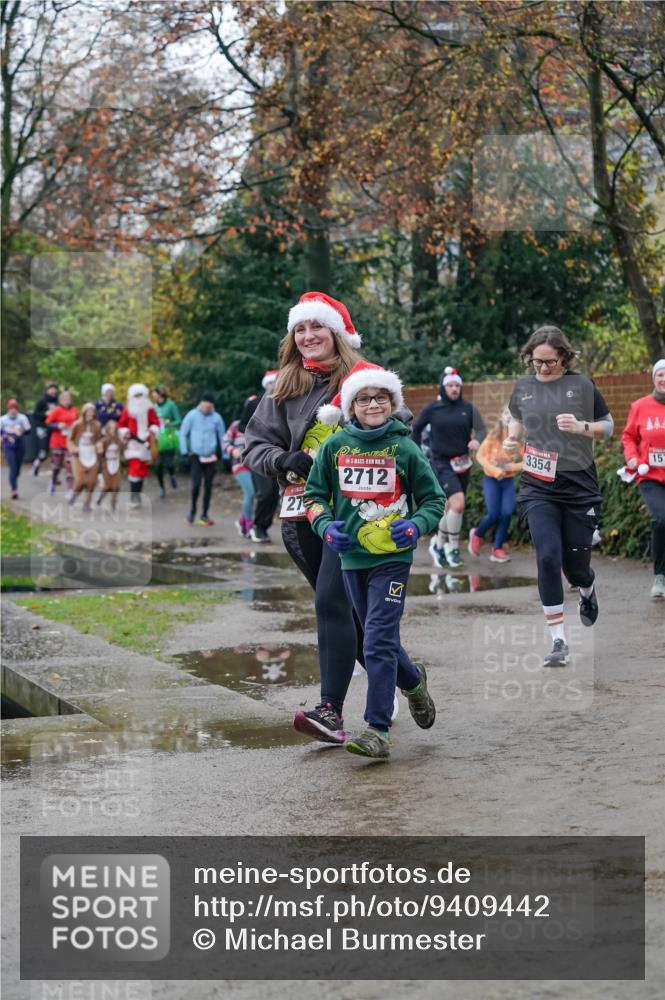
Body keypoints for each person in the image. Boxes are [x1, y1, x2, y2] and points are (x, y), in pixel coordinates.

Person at [244, 291, 410, 744]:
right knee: (346, 610)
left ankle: (330, 713)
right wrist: (284, 460)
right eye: (300, 329)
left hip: (357, 517)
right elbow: (253, 446)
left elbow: (402, 421)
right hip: (302, 517)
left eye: (316, 327)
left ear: (336, 333)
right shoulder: (283, 386)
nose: (308, 335)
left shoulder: (363, 377)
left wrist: (363, 437)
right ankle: (407, 678)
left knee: (331, 604)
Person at [303, 362, 444, 759]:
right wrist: (326, 528)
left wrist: (416, 526)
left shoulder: (404, 448)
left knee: (379, 638)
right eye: (364, 399)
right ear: (351, 407)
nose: (373, 404)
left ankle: (377, 730)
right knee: (374, 641)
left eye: (381, 397)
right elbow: (314, 498)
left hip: (392, 559)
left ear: (392, 402)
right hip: (351, 558)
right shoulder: (335, 447)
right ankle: (414, 682)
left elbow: (434, 500)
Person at [504, 325, 613, 666]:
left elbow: (607, 426)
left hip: (578, 487)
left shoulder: (581, 386)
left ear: (564, 358)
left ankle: (586, 589)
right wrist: (511, 438)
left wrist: (581, 427)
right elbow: (516, 419)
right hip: (538, 486)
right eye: (537, 362)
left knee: (576, 567)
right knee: (548, 557)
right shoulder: (524, 387)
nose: (543, 369)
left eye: (549, 362)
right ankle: (559, 641)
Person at [412, 366, 486, 569]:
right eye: (450, 385)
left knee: (448, 507)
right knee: (459, 504)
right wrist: (417, 453)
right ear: (444, 387)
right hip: (440, 462)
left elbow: (481, 429)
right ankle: (452, 548)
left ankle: (439, 543)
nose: (454, 389)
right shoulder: (433, 408)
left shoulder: (468, 408)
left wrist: (477, 441)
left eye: (457, 385)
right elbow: (416, 429)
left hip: (463, 462)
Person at [621, 358, 665, 599]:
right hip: (651, 476)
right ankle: (660, 576)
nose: (664, 379)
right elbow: (628, 436)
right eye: (660, 375)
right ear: (654, 378)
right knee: (660, 519)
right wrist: (633, 459)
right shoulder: (640, 406)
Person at [468, 406, 524, 563]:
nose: (508, 417)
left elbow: (528, 461)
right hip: (491, 479)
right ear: (501, 416)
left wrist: (509, 467)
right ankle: (477, 534)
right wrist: (495, 469)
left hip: (507, 481)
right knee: (493, 514)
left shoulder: (518, 439)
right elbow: (480, 456)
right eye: (506, 413)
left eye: (513, 416)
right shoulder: (493, 435)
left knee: (506, 513)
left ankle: (497, 549)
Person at [239, 371, 280, 543]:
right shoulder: (254, 403)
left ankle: (263, 527)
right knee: (265, 491)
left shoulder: (283, 403)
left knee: (274, 493)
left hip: (278, 454)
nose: (274, 386)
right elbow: (241, 425)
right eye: (272, 383)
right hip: (258, 453)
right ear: (267, 385)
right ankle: (257, 526)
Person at [179, 392, 226, 526]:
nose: (206, 410)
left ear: (212, 407)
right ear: (200, 404)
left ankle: (204, 514)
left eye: (209, 408)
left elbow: (222, 436)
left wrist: (225, 455)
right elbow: (183, 434)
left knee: (208, 486)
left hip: (210, 456)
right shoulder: (192, 415)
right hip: (195, 455)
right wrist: (184, 452)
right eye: (205, 407)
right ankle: (192, 512)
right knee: (196, 485)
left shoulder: (216, 418)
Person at [118, 384, 160, 506]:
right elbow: (122, 424)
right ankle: (134, 496)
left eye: (140, 395)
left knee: (142, 470)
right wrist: (125, 433)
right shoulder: (127, 410)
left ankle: (138, 494)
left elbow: (155, 422)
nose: (138, 398)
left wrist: (152, 430)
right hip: (133, 443)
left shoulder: (149, 409)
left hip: (146, 443)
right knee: (134, 469)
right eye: (136, 396)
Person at [222, 418, 255, 536]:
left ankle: (242, 520)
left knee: (253, 494)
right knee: (250, 493)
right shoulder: (236, 425)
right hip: (239, 464)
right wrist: (232, 450)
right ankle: (248, 523)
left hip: (255, 466)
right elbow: (224, 441)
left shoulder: (260, 423)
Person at [67, 403, 102, 511]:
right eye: (88, 412)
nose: (90, 414)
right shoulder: (77, 424)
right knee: (81, 480)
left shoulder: (97, 425)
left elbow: (99, 439)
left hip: (92, 454)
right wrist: (73, 448)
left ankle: (87, 503)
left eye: (92, 412)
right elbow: (70, 439)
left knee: (92, 481)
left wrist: (99, 445)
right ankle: (75, 494)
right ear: (84, 412)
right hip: (79, 455)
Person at [45, 390, 78, 498]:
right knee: (56, 466)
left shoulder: (74, 409)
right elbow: (48, 423)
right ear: (60, 400)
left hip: (69, 442)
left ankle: (70, 489)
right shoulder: (57, 410)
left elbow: (77, 423)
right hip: (57, 442)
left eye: (68, 399)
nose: (66, 401)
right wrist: (58, 425)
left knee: (70, 466)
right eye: (64, 399)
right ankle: (53, 482)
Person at [151, 386, 181, 498]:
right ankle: (162, 488)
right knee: (158, 465)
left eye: (154, 393)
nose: (153, 396)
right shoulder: (153, 407)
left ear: (161, 394)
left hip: (169, 437)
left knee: (169, 462)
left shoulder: (171, 405)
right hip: (157, 437)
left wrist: (167, 423)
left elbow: (178, 420)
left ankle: (172, 475)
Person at [1, 400, 31, 499]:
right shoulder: (3, 420)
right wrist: (4, 436)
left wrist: (21, 431)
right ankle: (14, 490)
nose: (13, 410)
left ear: (17, 409)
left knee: (17, 469)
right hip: (8, 446)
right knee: (12, 467)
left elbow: (28, 431)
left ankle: (14, 479)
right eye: (11, 408)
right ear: (8, 409)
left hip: (20, 445)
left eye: (15, 408)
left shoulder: (22, 418)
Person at [32, 382, 59, 475]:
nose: (53, 390)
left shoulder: (57, 402)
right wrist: (45, 414)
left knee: (55, 449)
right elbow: (35, 415)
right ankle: (37, 463)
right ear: (47, 390)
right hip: (42, 427)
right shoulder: (42, 401)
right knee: (43, 449)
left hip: (54, 428)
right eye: (51, 388)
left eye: (54, 388)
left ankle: (55, 469)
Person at [96, 419, 123, 510]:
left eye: (114, 428)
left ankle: (113, 501)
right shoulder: (104, 440)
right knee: (107, 486)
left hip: (116, 463)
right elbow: (99, 453)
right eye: (110, 428)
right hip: (107, 464)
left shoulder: (119, 440)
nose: (112, 430)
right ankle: (101, 498)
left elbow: (123, 450)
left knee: (116, 486)